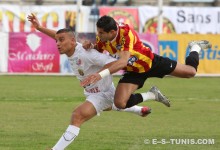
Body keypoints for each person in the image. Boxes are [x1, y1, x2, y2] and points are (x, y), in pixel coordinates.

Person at [27, 13, 170, 150]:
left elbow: (113, 62)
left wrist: (99, 74)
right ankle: (147, 100)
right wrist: (39, 27)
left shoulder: (87, 54)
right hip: (93, 91)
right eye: (57, 40)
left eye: (61, 40)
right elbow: (60, 36)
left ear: (72, 41)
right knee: (111, 106)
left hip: (102, 93)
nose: (57, 43)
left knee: (78, 116)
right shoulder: (73, 47)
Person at [81, 15, 212, 110]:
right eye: (98, 32)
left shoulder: (126, 33)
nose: (98, 35)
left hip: (151, 63)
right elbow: (98, 49)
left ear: (112, 32)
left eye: (101, 33)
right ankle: (152, 94)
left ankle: (195, 47)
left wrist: (99, 75)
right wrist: (90, 46)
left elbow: (122, 62)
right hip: (134, 71)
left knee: (191, 72)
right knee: (120, 103)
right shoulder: (103, 37)